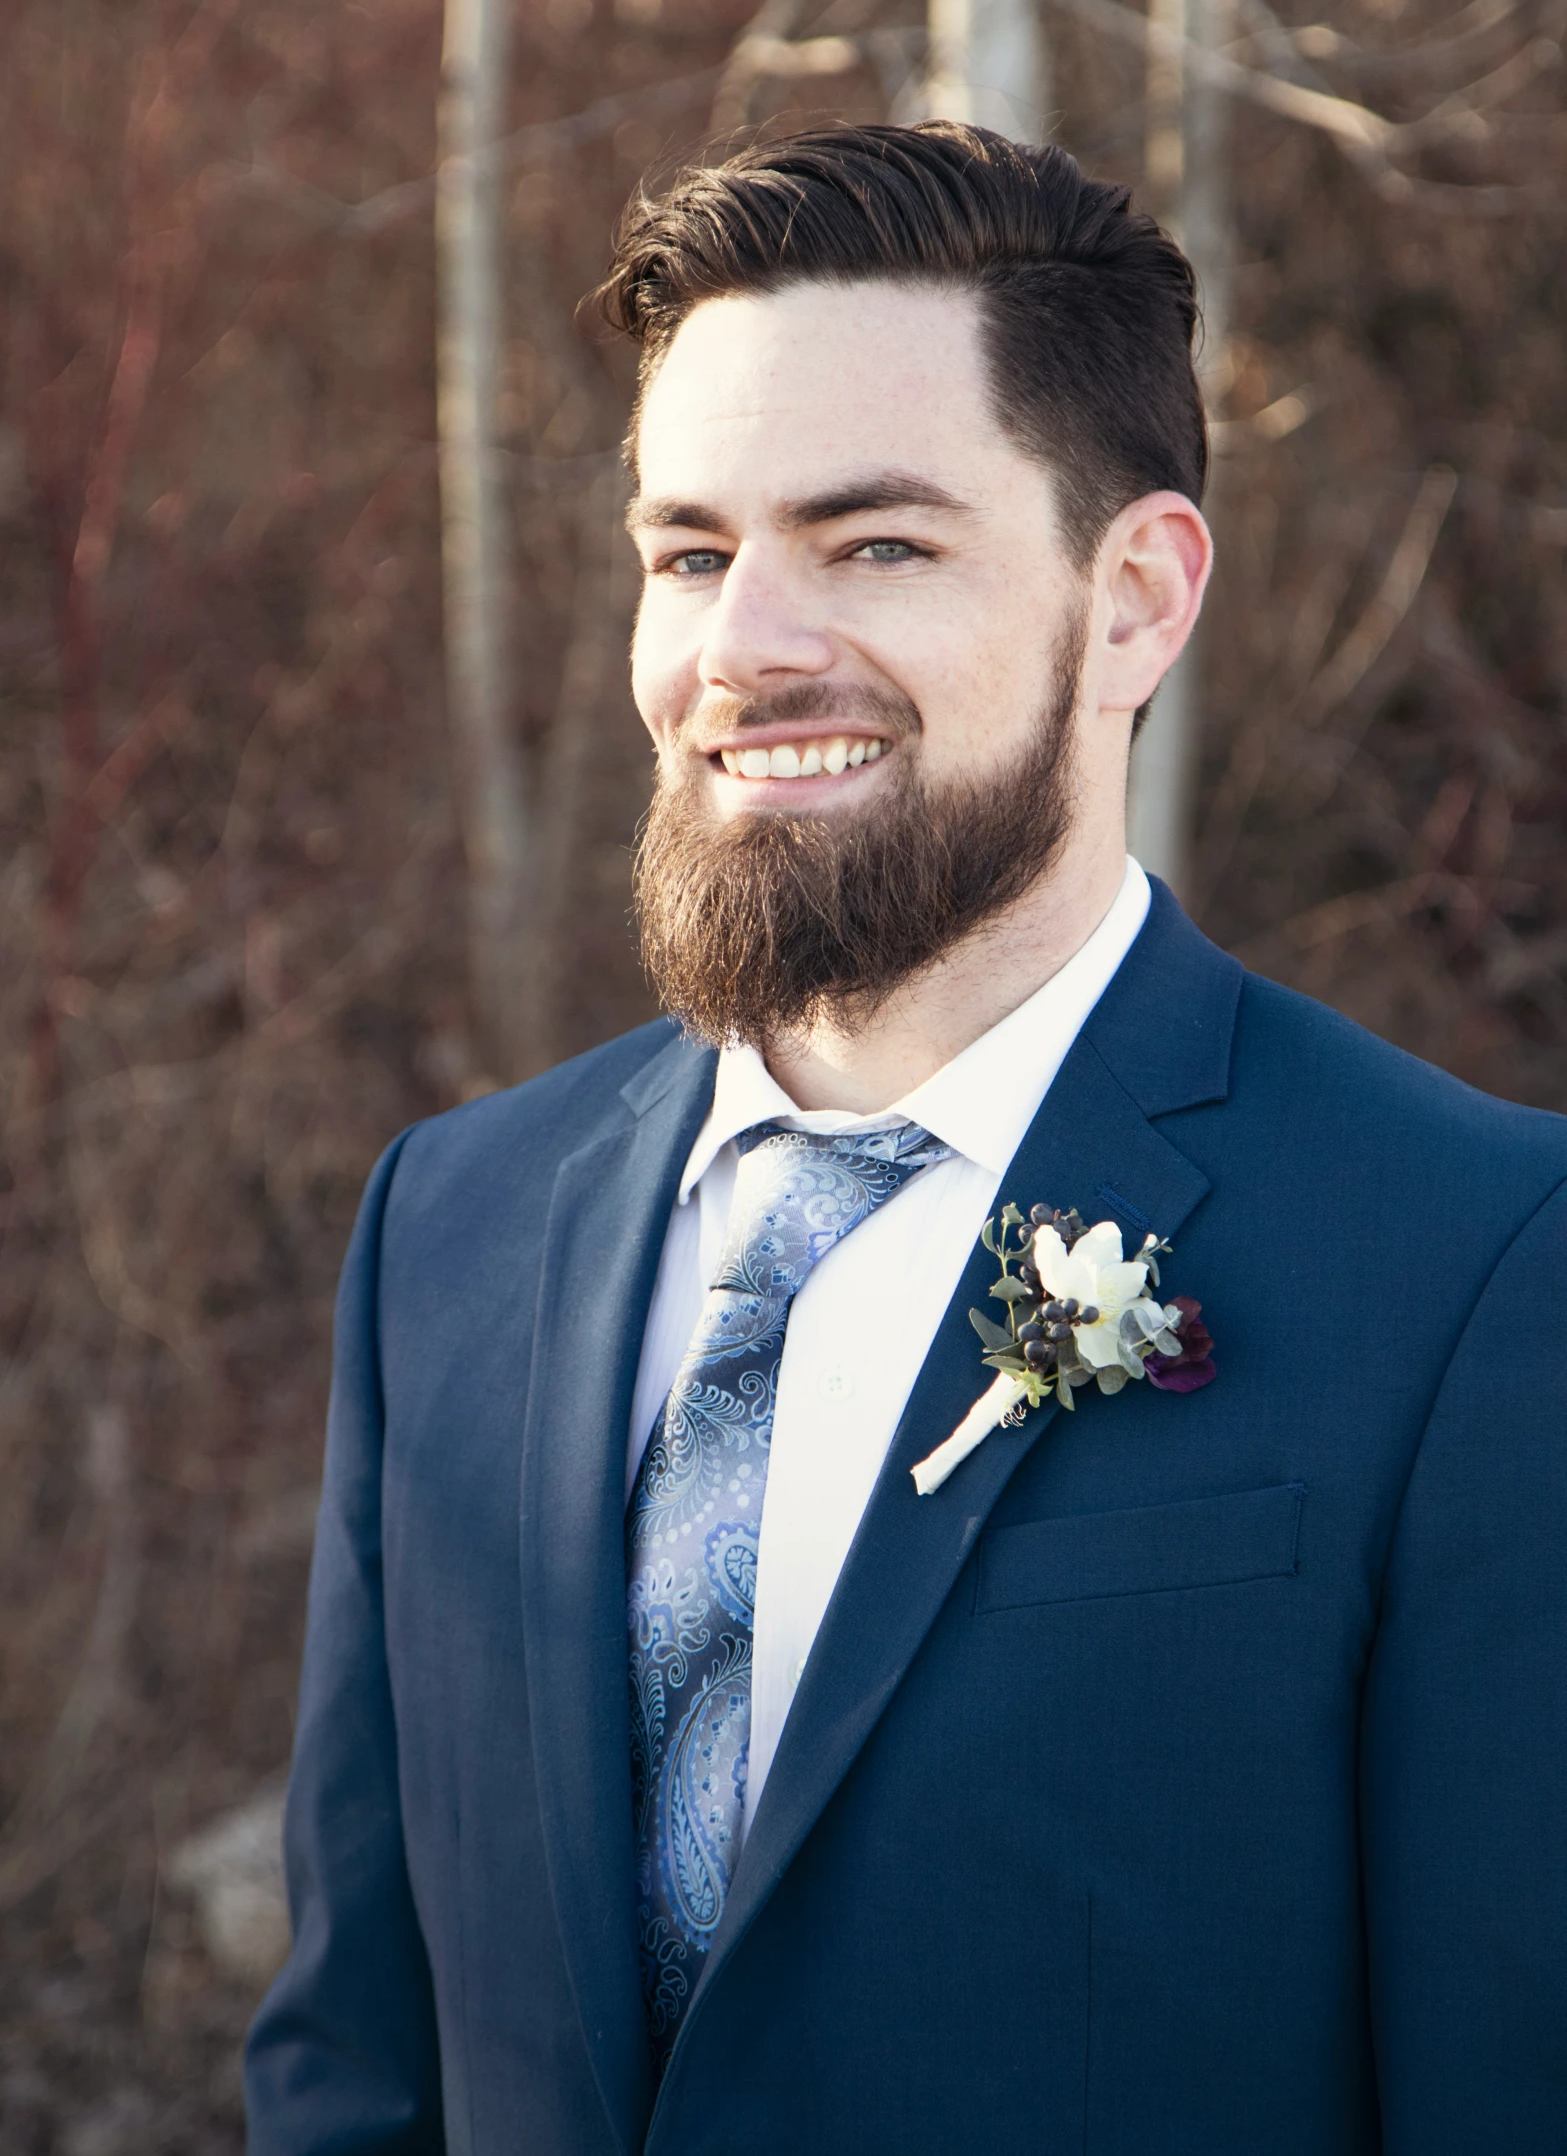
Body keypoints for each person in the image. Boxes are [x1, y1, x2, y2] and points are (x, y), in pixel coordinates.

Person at [244, 124, 1567, 2155]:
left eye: (875, 542)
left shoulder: (1477, 1262)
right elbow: (360, 2062)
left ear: (1134, 599)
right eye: (690, 551)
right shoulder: (454, 1227)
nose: (743, 652)